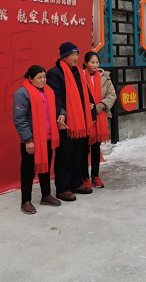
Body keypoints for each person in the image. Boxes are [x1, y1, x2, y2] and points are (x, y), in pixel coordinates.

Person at [46, 42, 98, 202]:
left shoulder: (78, 72)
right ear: (63, 56)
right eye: (72, 54)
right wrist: (61, 115)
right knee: (65, 155)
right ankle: (62, 188)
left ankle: (76, 183)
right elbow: (56, 98)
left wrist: (93, 111)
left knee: (79, 154)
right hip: (67, 122)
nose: (76, 57)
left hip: (81, 121)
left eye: (77, 54)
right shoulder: (55, 73)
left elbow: (86, 93)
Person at [13, 65, 65, 215]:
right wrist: (28, 140)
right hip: (33, 140)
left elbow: (57, 107)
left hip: (48, 137)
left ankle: (46, 195)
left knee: (46, 168)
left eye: (44, 77)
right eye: (39, 78)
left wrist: (62, 114)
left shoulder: (48, 91)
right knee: (28, 170)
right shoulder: (22, 94)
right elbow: (20, 119)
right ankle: (26, 201)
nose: (43, 80)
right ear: (30, 78)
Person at [80, 51, 117, 189]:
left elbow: (112, 95)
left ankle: (95, 176)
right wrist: (86, 106)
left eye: (97, 62)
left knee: (96, 149)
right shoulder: (80, 77)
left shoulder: (104, 78)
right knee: (83, 149)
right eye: (92, 62)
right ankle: (84, 178)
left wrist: (99, 106)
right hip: (84, 118)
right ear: (85, 63)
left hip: (99, 116)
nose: (95, 65)